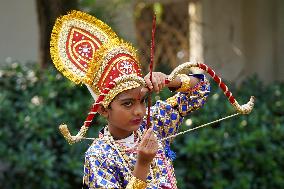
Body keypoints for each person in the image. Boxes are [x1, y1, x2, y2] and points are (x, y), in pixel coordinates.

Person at [50, 10, 210, 188]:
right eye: (127, 103)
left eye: (142, 100)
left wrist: (169, 80)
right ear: (103, 109)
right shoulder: (98, 156)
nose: (139, 111)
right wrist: (142, 165)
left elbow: (200, 91)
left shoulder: (154, 122)